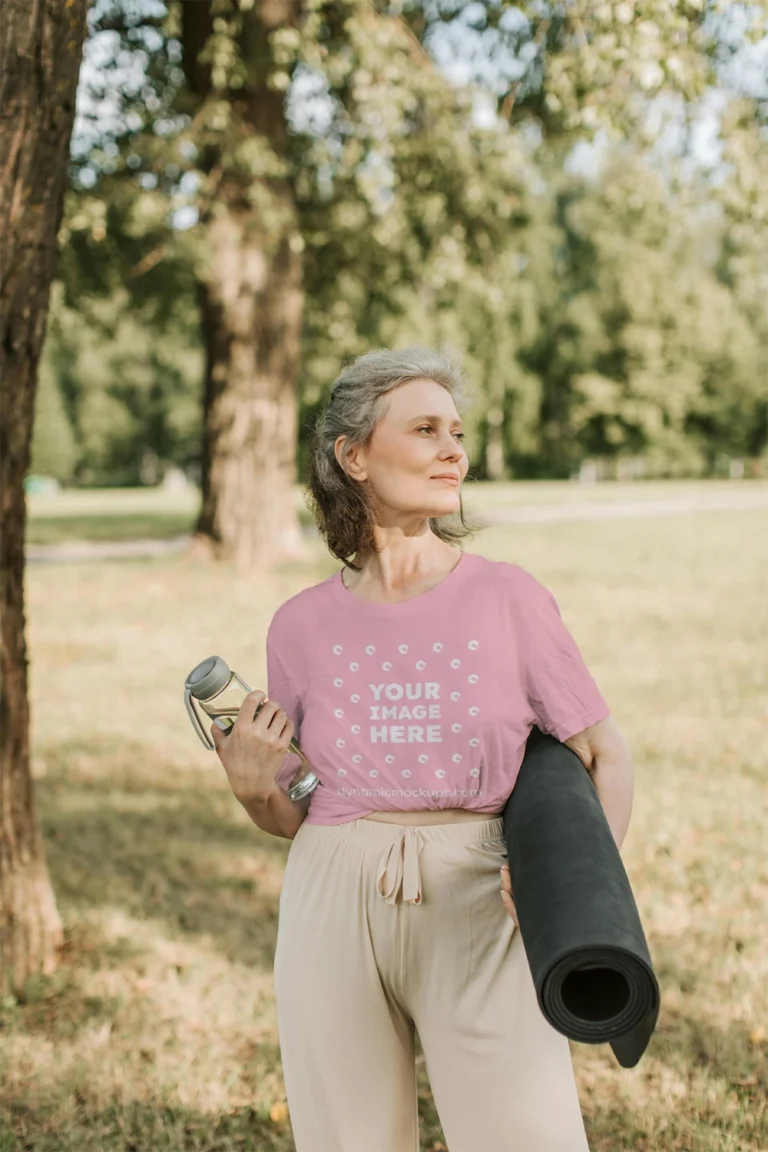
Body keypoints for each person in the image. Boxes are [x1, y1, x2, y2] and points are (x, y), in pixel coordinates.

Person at [211, 345, 634, 1152]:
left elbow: (604, 752)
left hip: (482, 890)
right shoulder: (298, 625)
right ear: (354, 455)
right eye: (426, 429)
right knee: (348, 1138)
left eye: (458, 433)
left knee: (526, 1135)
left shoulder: (508, 597)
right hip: (331, 889)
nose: (454, 451)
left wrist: (575, 895)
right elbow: (293, 812)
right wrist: (254, 786)